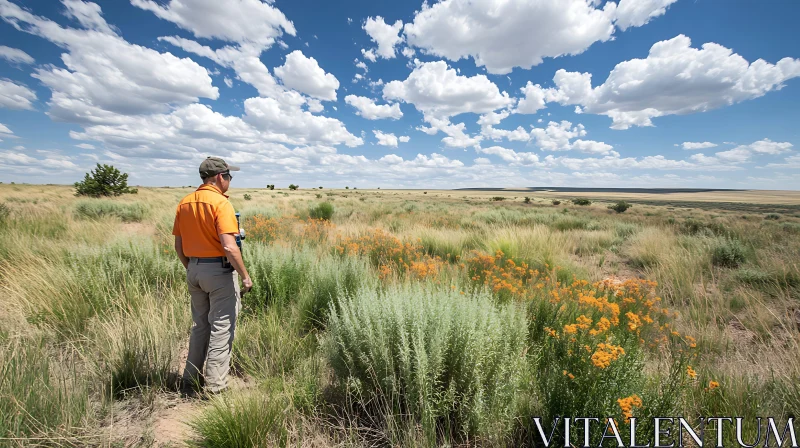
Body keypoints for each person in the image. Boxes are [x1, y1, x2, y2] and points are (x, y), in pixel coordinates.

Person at [172, 156, 253, 398]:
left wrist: (192, 267)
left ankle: (190, 378)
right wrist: (246, 276)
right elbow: (229, 247)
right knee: (222, 327)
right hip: (218, 273)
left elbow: (178, 245)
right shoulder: (221, 203)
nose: (229, 181)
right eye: (229, 176)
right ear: (219, 177)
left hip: (194, 270)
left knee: (200, 325)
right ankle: (216, 387)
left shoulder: (184, 203)